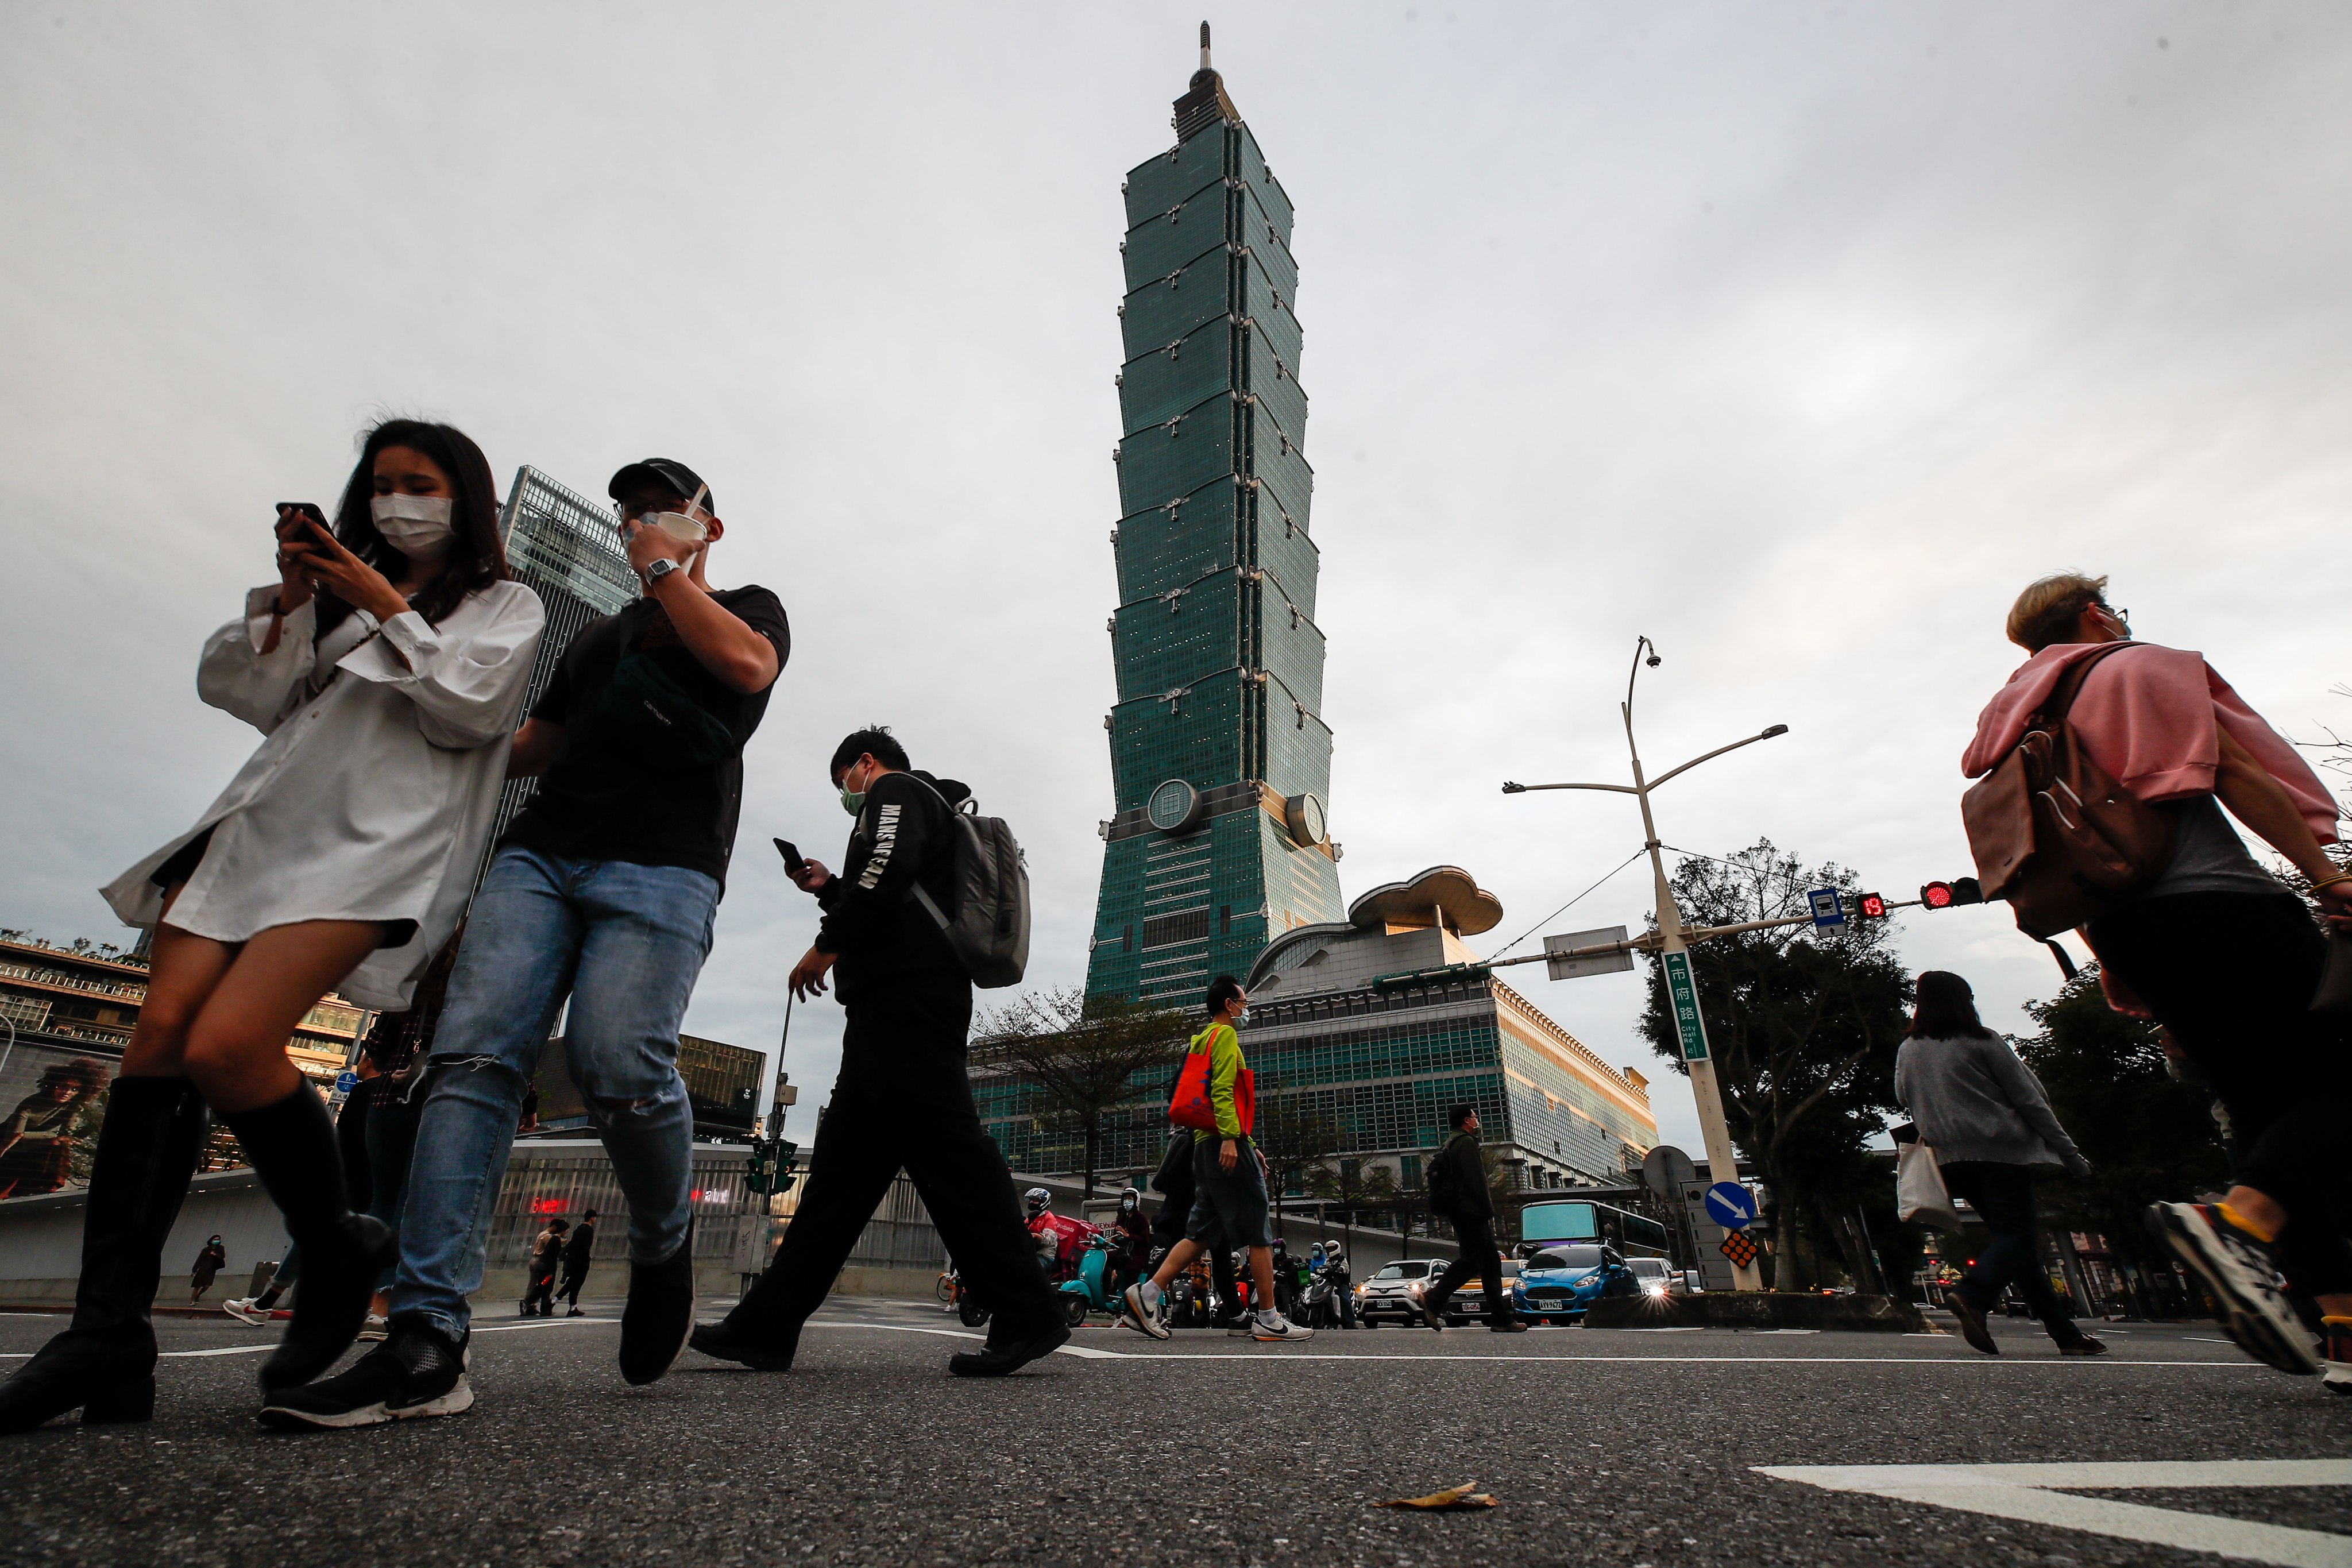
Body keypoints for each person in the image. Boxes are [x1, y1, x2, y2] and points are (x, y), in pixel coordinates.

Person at [0, 419, 542, 1436]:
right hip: (256, 833)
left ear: (462, 499)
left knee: (228, 1046)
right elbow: (247, 694)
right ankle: (105, 1333)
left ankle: (336, 1243)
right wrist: (298, 601)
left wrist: (388, 606)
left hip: (372, 847)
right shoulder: (336, 607)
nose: (394, 502)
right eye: (379, 485)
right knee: (155, 1049)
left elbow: (470, 711)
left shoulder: (506, 604)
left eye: (419, 483)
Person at [263, 457, 789, 1431]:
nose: (639, 521)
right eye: (628, 510)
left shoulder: (749, 606)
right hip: (541, 856)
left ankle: (663, 1239)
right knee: (469, 1060)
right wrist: (401, 730)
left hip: (665, 865)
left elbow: (747, 671)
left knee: (617, 1057)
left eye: (662, 508)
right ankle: (426, 1337)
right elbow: (536, 743)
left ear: (708, 527)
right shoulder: (595, 637)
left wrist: (669, 573)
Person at [1964, 575, 2352, 1387]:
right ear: (2093, 616)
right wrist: (2322, 875)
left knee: (2261, 1108)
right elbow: (2232, 771)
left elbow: (2063, 856)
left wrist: (2124, 977)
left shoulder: (2011, 716)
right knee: (2333, 1081)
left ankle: (2334, 1318)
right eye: (2113, 611)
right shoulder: (2135, 667)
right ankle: (2234, 1220)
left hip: (2125, 927)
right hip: (2219, 904)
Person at [690, 728, 1068, 1378]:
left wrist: (828, 940)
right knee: (840, 1180)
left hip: (908, 1003)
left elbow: (888, 867)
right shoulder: (913, 808)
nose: (846, 794)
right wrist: (828, 887)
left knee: (951, 1154)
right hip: (886, 1010)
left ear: (864, 764)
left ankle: (1028, 1309)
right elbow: (892, 893)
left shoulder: (894, 789)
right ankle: (766, 1327)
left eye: (844, 780)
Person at [1893, 971, 2106, 1358]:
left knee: (2014, 1248)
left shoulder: (1908, 1049)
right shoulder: (1983, 1041)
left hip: (1949, 1162)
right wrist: (2070, 1156)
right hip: (2000, 1156)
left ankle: (2066, 1334)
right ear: (1964, 1001)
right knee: (2019, 1239)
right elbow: (2030, 1101)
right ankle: (1972, 1293)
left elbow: (1901, 1095)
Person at [1119, 978, 1312, 1343]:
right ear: (1229, 1003)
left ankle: (1145, 1297)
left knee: (1202, 1233)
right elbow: (1223, 1091)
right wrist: (1232, 1139)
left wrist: (1247, 1141)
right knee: (1258, 1230)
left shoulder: (1201, 1039)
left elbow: (1214, 1099)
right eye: (1243, 1000)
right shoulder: (1224, 1036)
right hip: (1223, 1143)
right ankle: (1269, 1318)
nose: (1246, 1006)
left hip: (1205, 1145)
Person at [1422, 1104, 1524, 1333]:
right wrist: (1487, 1210)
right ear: (1467, 1121)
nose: (1478, 1121)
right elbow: (1475, 1179)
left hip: (1461, 1209)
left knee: (1490, 1264)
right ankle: (1433, 1298)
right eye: (1475, 1117)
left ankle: (1501, 1319)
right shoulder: (1466, 1143)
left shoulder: (1450, 1143)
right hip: (1470, 1210)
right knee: (1473, 1260)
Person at [0, 1060, 109, 1199]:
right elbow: (14, 1136)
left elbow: (67, 1135)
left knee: (59, 1147)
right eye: (64, 1086)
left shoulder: (73, 1106)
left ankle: (45, 1187)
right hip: (7, 1143)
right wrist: (52, 1137)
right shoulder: (32, 1102)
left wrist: (94, 1126)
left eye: (74, 1089)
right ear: (54, 1084)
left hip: (35, 1145)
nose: (67, 1092)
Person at [522, 1219, 568, 1318]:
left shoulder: (546, 1236)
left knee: (541, 1286)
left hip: (542, 1265)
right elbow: (553, 1254)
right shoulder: (552, 1239)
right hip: (547, 1268)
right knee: (544, 1286)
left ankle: (540, 1307)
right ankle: (529, 1302)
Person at [1111, 1187, 1153, 1295]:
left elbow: (1145, 1239)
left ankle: (1131, 1309)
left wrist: (1128, 1235)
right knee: (1119, 1283)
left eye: (1130, 1199)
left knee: (1131, 1285)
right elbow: (1116, 1235)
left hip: (1135, 1259)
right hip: (1122, 1257)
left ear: (1136, 1201)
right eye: (1125, 1199)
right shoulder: (1121, 1218)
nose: (1127, 1202)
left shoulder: (1141, 1219)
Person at [558, 1210, 599, 1316]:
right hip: (582, 1261)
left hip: (573, 1260)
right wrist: (586, 1260)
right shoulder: (589, 1230)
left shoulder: (578, 1229)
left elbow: (573, 1243)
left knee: (572, 1283)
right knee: (576, 1284)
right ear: (592, 1218)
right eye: (595, 1218)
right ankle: (560, 1303)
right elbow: (586, 1247)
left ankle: (569, 1306)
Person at [190, 1237, 229, 1306]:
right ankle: (193, 1300)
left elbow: (222, 1256)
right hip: (203, 1268)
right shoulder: (206, 1250)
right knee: (197, 1285)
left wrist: (215, 1254)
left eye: (218, 1240)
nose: (217, 1241)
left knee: (207, 1285)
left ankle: (198, 1296)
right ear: (211, 1241)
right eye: (215, 1240)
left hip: (212, 1269)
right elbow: (199, 1260)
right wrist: (194, 1270)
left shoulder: (220, 1248)